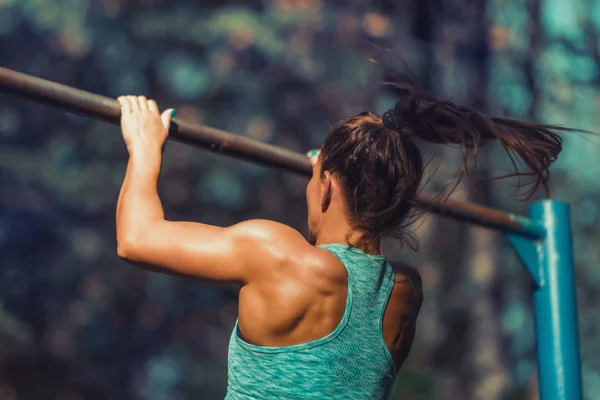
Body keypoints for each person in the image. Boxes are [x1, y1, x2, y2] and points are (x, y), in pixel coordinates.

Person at [115, 84, 570, 398]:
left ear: (328, 188)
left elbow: (136, 239)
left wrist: (144, 150)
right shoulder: (404, 293)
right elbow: (342, 268)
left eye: (315, 183)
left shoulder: (273, 252)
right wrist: (329, 172)